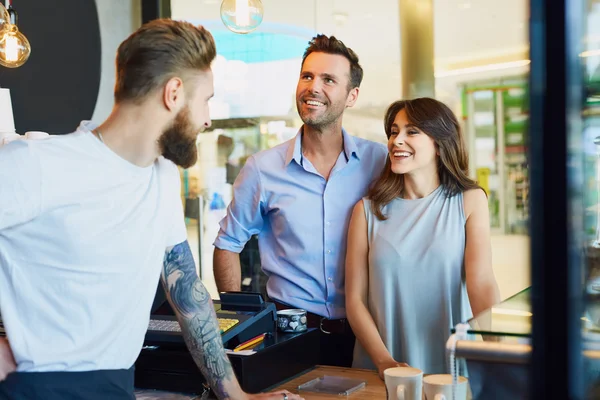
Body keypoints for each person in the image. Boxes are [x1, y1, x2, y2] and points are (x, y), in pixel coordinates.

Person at [0, 19, 301, 400]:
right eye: (206, 99)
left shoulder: (161, 176)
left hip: (116, 385)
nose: (208, 119)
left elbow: (188, 296)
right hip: (37, 388)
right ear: (174, 93)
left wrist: (236, 397)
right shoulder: (36, 163)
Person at [213, 34, 387, 367]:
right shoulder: (262, 169)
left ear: (352, 96)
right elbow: (228, 244)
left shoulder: (379, 163)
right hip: (288, 334)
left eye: (328, 79)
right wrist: (238, 319)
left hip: (367, 332)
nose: (313, 87)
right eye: (307, 76)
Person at [345, 98, 501, 378]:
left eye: (411, 131)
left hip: (448, 365)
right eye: (394, 132)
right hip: (382, 367)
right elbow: (355, 300)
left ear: (440, 144)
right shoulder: (366, 211)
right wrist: (385, 362)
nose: (396, 141)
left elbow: (482, 284)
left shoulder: (469, 202)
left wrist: (501, 354)